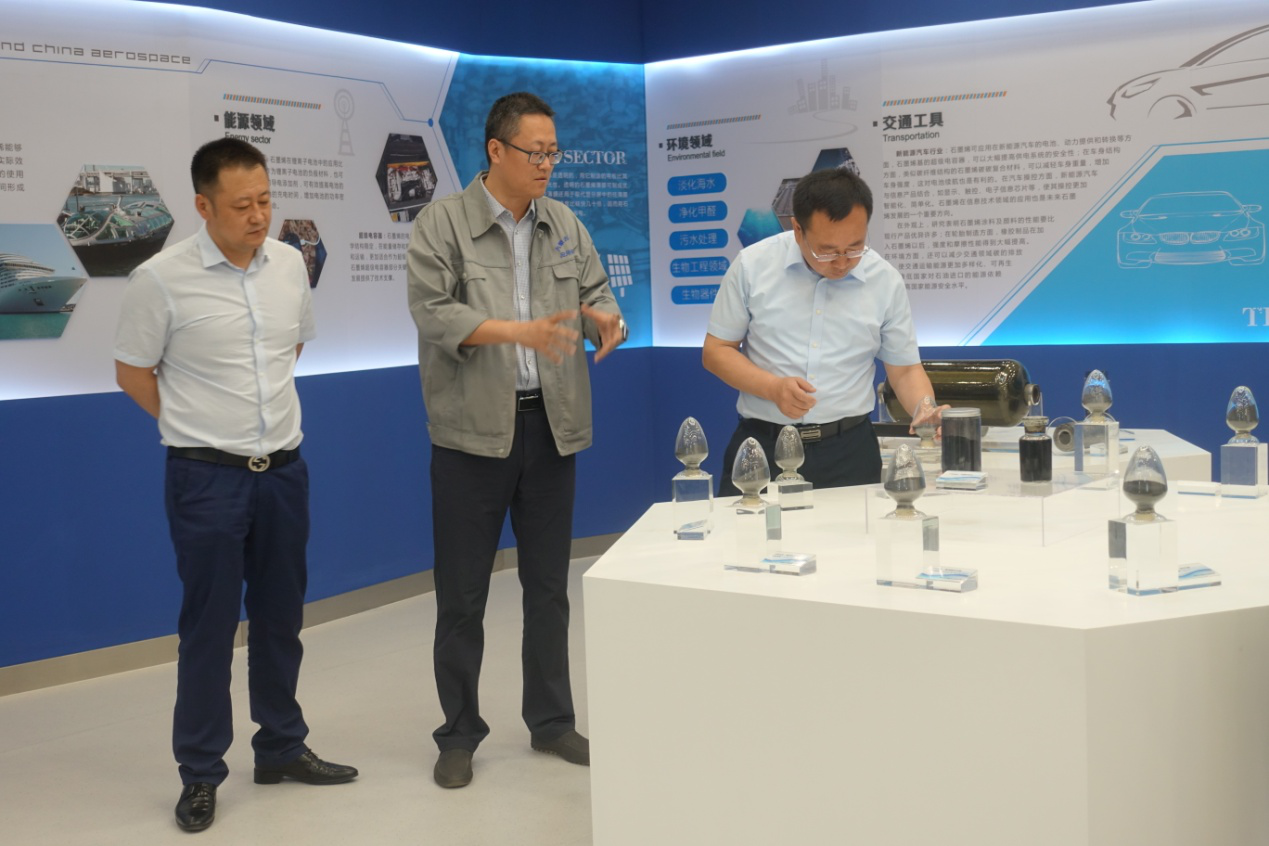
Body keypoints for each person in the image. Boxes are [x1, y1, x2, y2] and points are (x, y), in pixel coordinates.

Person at [114, 138, 357, 833]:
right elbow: (133, 373)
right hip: (205, 478)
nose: (258, 216)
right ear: (203, 206)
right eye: (242, 205)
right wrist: (195, 424)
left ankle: (281, 746)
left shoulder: (289, 264)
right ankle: (200, 771)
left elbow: (289, 348)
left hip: (283, 472)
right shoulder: (160, 279)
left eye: (265, 200)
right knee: (209, 627)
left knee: (282, 618)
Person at [406, 91, 626, 789]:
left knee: (549, 589)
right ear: (496, 150)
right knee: (462, 595)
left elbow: (598, 293)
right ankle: (458, 733)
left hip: (550, 428)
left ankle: (551, 721)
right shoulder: (443, 223)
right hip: (471, 435)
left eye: (553, 152)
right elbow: (434, 314)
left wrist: (606, 322)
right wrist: (517, 333)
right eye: (536, 152)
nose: (547, 164)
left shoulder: (563, 224)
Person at [703, 167, 941, 495]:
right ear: (797, 229)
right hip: (764, 446)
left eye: (855, 247)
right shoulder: (751, 267)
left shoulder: (884, 280)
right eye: (827, 251)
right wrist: (772, 388)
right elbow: (716, 351)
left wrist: (924, 407)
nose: (842, 262)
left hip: (849, 451)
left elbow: (905, 370)